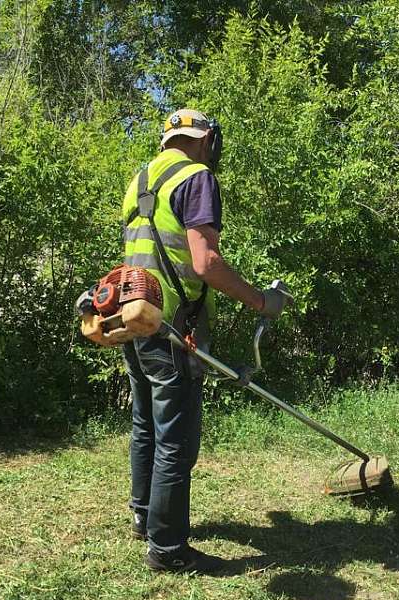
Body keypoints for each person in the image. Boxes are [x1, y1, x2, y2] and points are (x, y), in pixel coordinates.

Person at [120, 108, 290, 574]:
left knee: (145, 424)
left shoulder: (141, 179)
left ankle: (145, 518)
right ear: (205, 140)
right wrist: (262, 302)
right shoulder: (197, 178)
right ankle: (168, 549)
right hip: (173, 326)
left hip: (135, 315)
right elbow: (206, 263)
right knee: (175, 441)